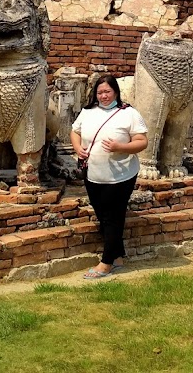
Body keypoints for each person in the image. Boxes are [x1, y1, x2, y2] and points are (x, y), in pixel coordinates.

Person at [70, 74, 148, 279]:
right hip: (93, 173)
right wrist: (78, 148)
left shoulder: (129, 114)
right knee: (102, 214)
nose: (103, 96)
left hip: (120, 175)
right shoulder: (88, 112)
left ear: (115, 92)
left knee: (113, 216)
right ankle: (118, 255)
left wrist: (120, 147)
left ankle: (106, 263)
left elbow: (142, 141)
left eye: (107, 92)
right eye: (100, 92)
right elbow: (74, 131)